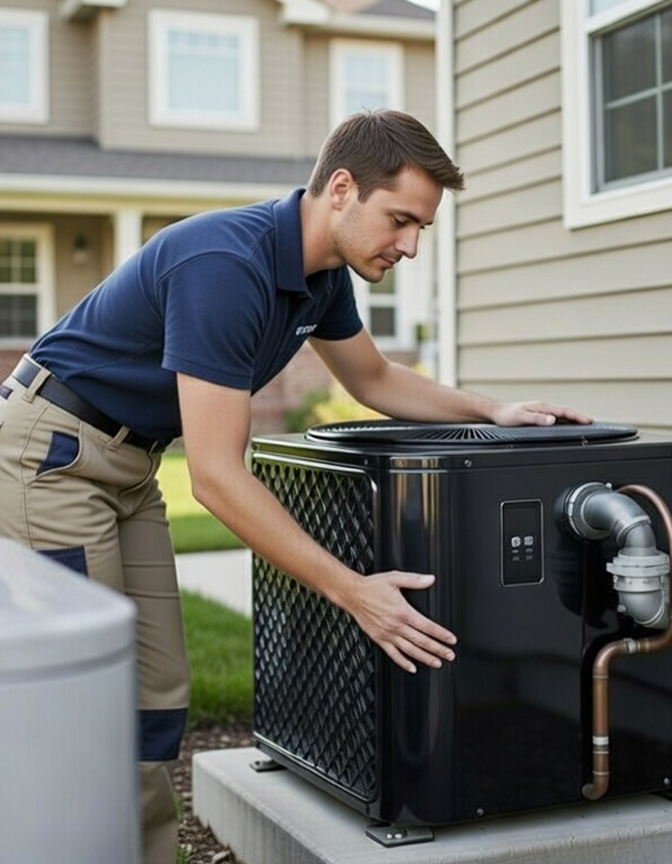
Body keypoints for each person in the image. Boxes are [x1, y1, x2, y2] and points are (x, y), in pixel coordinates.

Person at [0, 109, 591, 864]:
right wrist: (353, 590)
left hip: (128, 465)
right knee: (74, 702)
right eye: (401, 220)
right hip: (50, 457)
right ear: (342, 188)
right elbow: (216, 477)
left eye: (422, 229)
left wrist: (496, 411)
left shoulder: (319, 278)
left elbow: (373, 378)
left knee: (155, 690)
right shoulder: (226, 264)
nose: (411, 245)